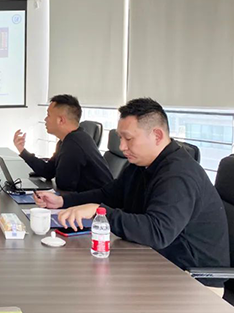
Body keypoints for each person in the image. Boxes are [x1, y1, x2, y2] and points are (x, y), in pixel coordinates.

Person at [37, 98, 230, 290]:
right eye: (120, 138)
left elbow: (157, 232)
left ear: (157, 136)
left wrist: (99, 212)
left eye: (128, 139)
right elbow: (109, 194)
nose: (122, 146)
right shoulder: (141, 166)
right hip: (155, 263)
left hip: (193, 282)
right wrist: (62, 201)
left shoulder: (179, 174)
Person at [13, 94, 112, 192]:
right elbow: (48, 171)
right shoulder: (65, 141)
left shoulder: (74, 144)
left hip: (97, 201)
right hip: (83, 198)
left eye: (48, 115)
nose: (45, 119)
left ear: (61, 120)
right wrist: (23, 151)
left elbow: (64, 185)